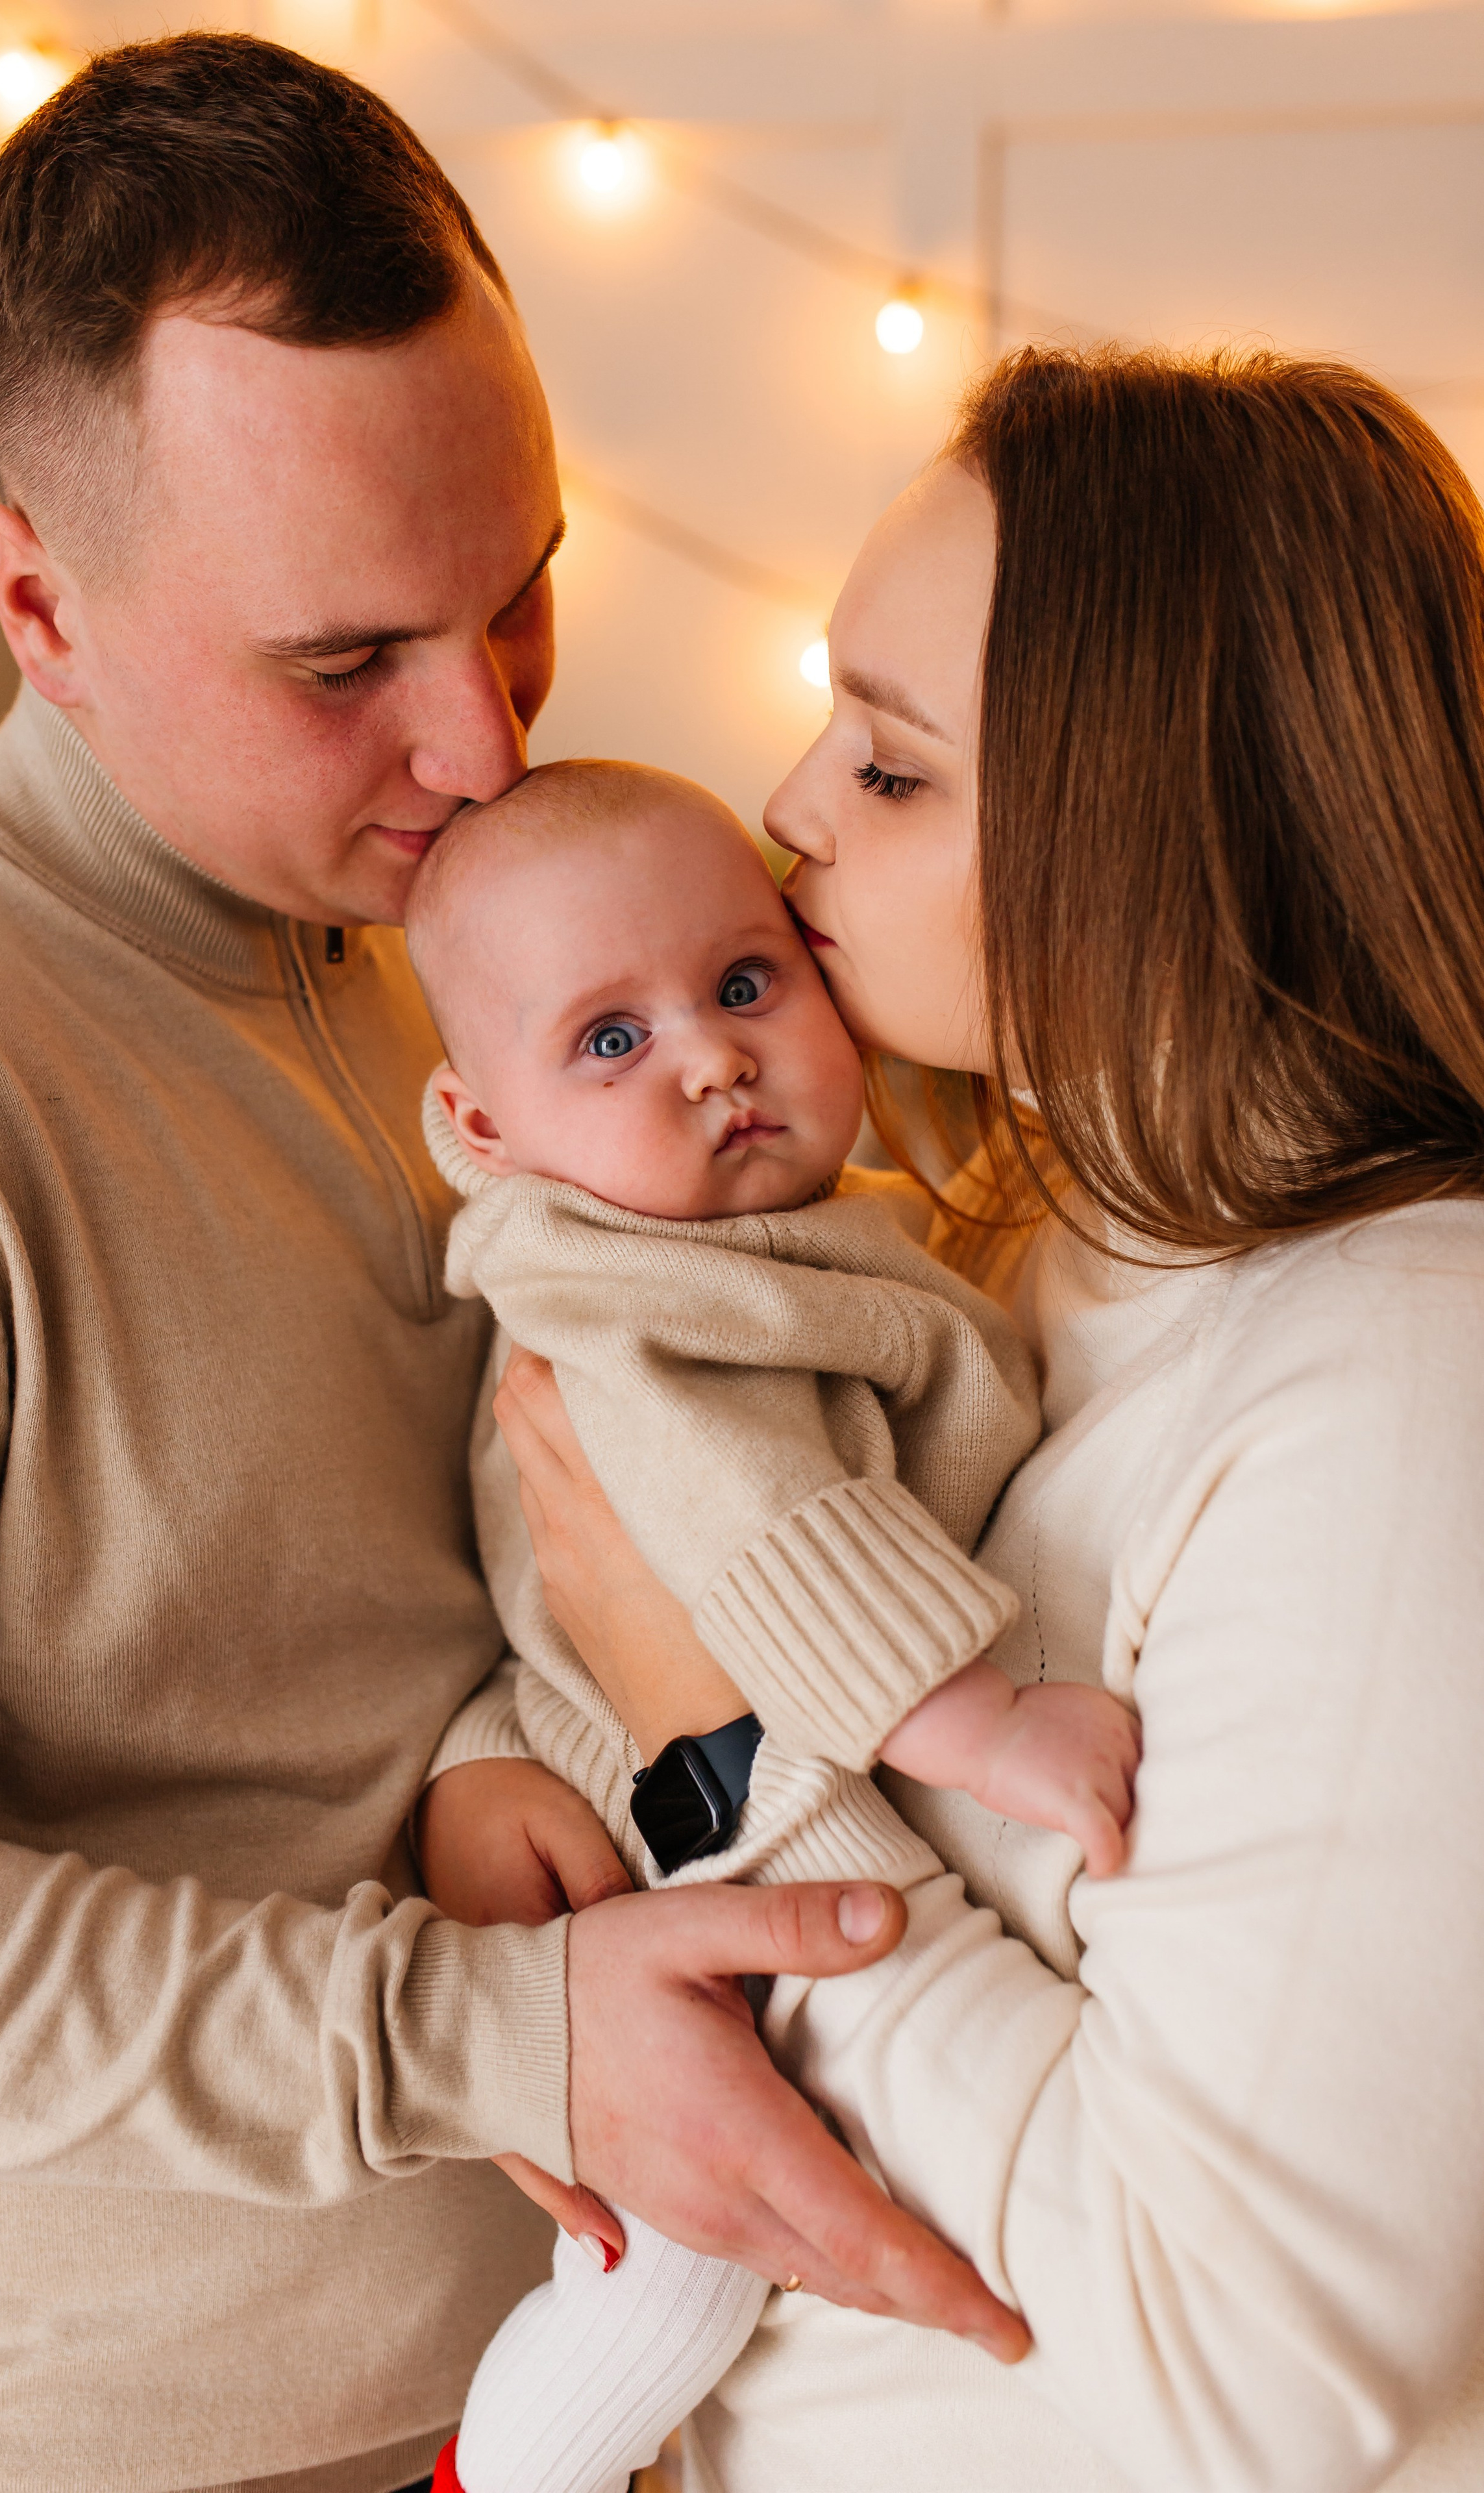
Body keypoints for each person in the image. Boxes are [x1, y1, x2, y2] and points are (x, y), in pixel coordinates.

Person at [0, 34, 1018, 2493]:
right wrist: (497, 2037)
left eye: (520, 591)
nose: (480, 741)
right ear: (35, 598)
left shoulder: (480, 951)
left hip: (618, 2403)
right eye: (343, 661)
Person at [484, 344, 1484, 2492]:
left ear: (1155, 837)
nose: (791, 801)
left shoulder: (1409, 1401)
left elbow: (1254, 2381)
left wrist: (722, 1752)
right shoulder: (1027, 1244)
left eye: (897, 768)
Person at [401, 756, 1137, 2492]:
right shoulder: (622, 1295)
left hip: (718, 1748)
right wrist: (982, 1725)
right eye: (610, 1040)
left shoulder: (824, 1229)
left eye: (745, 985)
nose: (713, 1057)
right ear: (481, 1128)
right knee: (678, 2278)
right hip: (661, 1819)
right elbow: (757, 1524)